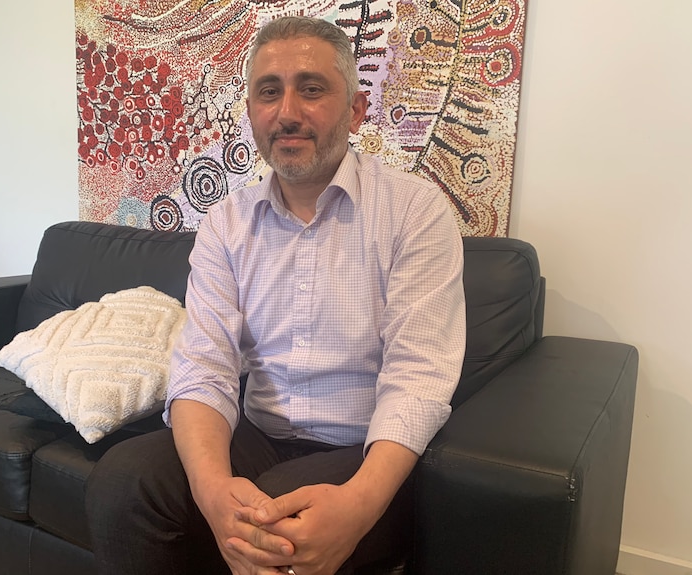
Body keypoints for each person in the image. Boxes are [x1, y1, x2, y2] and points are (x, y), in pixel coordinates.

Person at [85, 16, 466, 575]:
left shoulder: (415, 211)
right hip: (258, 434)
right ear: (252, 113)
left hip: (364, 448)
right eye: (269, 91)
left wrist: (359, 506)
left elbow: (420, 377)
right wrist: (214, 493)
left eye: (311, 89)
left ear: (356, 111)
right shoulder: (225, 224)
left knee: (273, 528)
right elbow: (203, 367)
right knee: (122, 483)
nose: (287, 111)